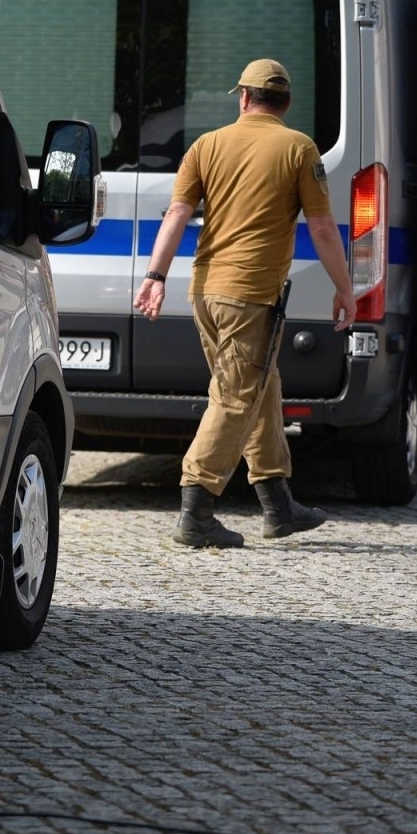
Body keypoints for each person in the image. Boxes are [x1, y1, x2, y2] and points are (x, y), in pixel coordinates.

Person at [134, 59, 355, 548]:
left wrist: (154, 276)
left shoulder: (206, 145)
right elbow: (321, 228)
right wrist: (345, 287)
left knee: (261, 385)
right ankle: (196, 507)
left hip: (205, 292)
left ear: (243, 97)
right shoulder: (298, 148)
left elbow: (176, 213)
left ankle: (277, 503)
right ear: (286, 103)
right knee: (236, 395)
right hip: (251, 295)